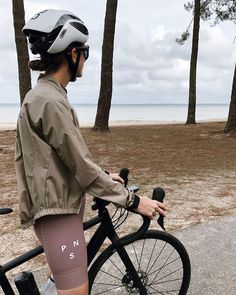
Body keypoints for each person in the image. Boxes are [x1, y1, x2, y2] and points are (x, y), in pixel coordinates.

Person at [15, 9, 167, 295]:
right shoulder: (50, 101)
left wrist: (104, 176)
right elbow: (81, 167)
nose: (85, 59)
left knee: (58, 283)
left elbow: (62, 161)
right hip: (57, 215)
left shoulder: (46, 96)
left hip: (57, 211)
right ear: (73, 54)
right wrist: (133, 201)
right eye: (84, 52)